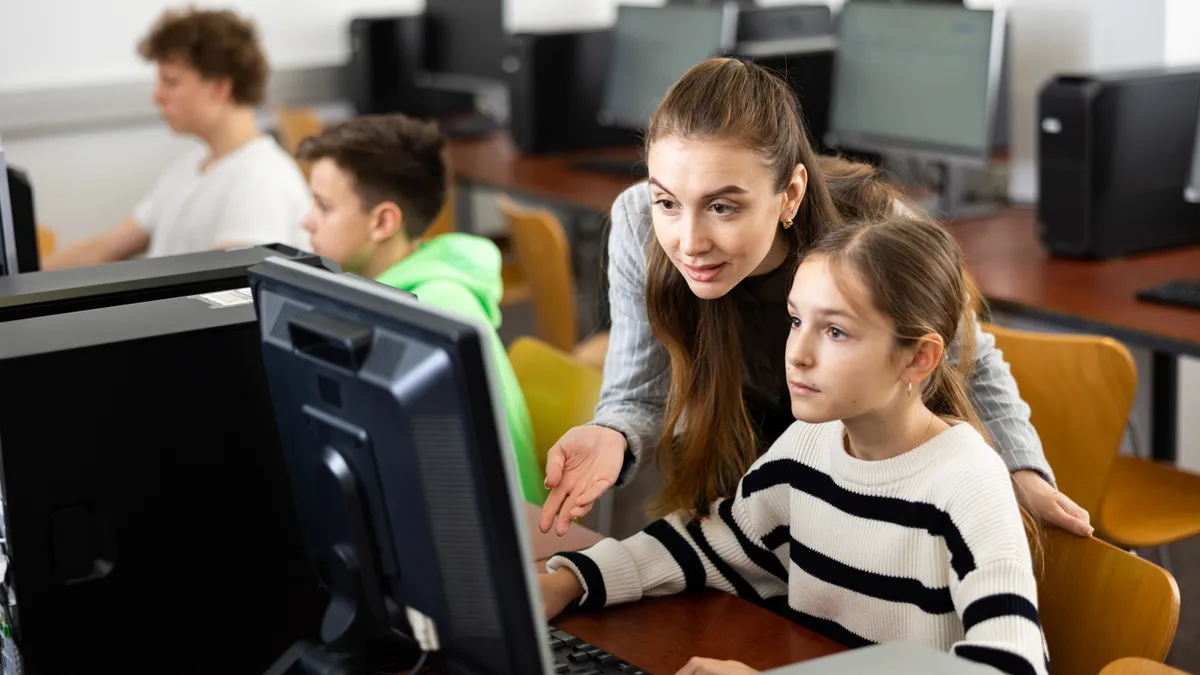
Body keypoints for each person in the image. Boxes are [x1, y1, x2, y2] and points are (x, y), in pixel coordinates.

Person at [538, 57, 1091, 539]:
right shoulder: (637, 221)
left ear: (790, 194)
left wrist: (1022, 472)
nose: (688, 241)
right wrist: (612, 433)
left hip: (877, 476)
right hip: (739, 470)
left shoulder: (872, 231)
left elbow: (970, 360)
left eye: (723, 207)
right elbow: (636, 395)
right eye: (668, 201)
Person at [540, 214, 1049, 675]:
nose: (798, 354)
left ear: (917, 359)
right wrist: (570, 582)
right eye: (796, 321)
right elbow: (709, 546)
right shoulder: (809, 446)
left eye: (835, 331)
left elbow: (1012, 666)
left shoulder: (968, 483)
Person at [293, 113, 545, 505]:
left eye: (324, 206)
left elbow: (482, 477)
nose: (306, 220)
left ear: (383, 222)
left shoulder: (435, 312)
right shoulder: (378, 293)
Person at [43, 8, 310, 270]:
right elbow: (106, 245)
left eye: (171, 82)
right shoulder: (193, 166)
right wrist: (23, 281)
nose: (156, 96)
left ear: (219, 88)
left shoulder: (260, 180)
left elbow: (229, 288)